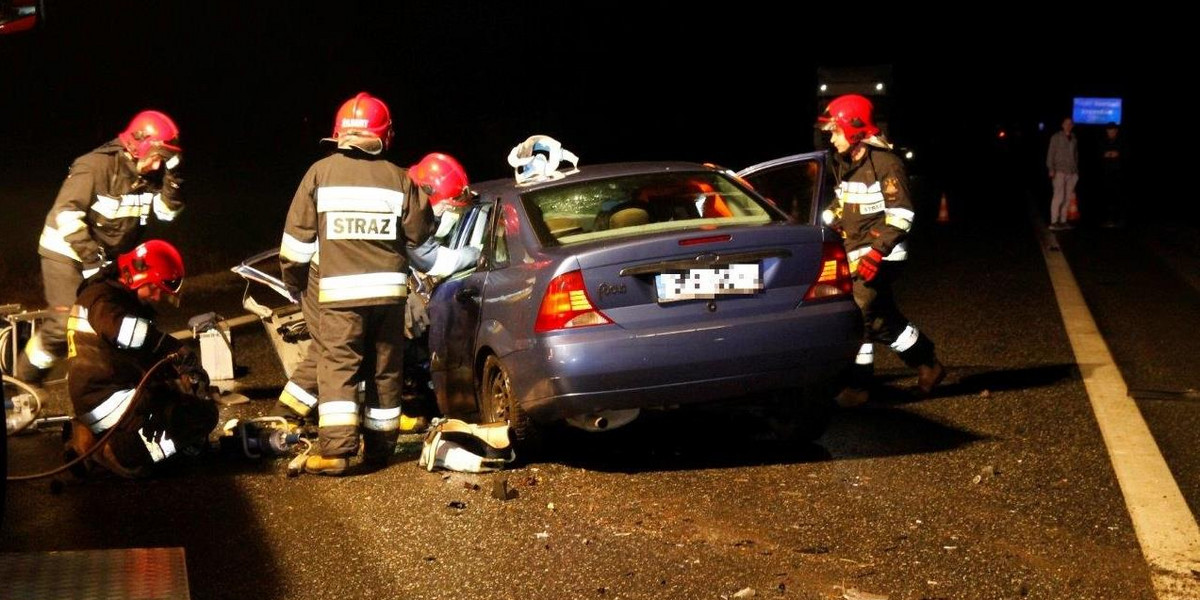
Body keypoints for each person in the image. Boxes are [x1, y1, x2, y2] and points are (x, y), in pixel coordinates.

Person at [279, 92, 436, 476]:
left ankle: (336, 451)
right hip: (388, 297)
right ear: (385, 134)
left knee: (339, 367)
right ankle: (380, 449)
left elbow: (296, 245)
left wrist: (295, 284)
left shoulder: (319, 173)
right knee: (385, 368)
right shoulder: (399, 178)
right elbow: (420, 234)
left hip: (338, 298)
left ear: (339, 132)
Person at [269, 152, 477, 430]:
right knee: (333, 350)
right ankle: (285, 415)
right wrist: (475, 254)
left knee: (357, 347)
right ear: (428, 192)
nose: (445, 215)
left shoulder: (390, 189)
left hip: (340, 278)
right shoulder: (404, 199)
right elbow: (432, 261)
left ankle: (365, 416)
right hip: (326, 280)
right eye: (447, 207)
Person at [18, 110, 184, 385]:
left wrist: (175, 177)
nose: (158, 166)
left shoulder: (154, 176)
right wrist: (93, 259)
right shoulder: (95, 166)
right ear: (138, 145)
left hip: (103, 257)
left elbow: (167, 213)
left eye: (163, 160)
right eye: (156, 157)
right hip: (67, 251)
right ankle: (22, 383)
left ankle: (126, 382)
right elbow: (66, 215)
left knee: (118, 317)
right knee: (65, 325)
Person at [816, 94, 945, 406]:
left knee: (857, 313)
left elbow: (902, 216)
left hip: (884, 256)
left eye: (835, 131)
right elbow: (842, 206)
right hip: (857, 252)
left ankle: (859, 388)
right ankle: (928, 364)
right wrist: (822, 222)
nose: (832, 139)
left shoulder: (886, 164)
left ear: (855, 129)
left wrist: (876, 252)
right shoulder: (845, 164)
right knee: (880, 321)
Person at [62, 239, 217, 479]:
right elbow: (130, 336)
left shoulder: (109, 294)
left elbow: (136, 357)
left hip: (106, 392)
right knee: (200, 417)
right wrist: (175, 351)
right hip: (108, 402)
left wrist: (177, 375)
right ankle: (117, 451)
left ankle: (89, 436)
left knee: (178, 399)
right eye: (154, 288)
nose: (156, 297)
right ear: (136, 276)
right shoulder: (102, 300)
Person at [1046, 116, 1079, 231]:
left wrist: (1076, 171)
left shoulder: (1074, 138)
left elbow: (1075, 155)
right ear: (1062, 124)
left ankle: (1063, 220)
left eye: (1071, 124)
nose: (1069, 125)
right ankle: (1054, 221)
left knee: (1067, 197)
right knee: (1058, 196)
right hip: (1059, 170)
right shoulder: (1056, 137)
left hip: (1071, 172)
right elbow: (1051, 153)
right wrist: (1051, 168)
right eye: (1066, 123)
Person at [1098, 122, 1126, 228]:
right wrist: (1105, 154)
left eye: (1113, 131)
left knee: (1119, 197)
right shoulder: (1103, 142)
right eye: (1109, 131)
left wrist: (1118, 154)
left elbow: (1126, 153)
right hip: (1106, 174)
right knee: (1107, 198)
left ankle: (1120, 220)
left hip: (1119, 175)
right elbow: (1098, 154)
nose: (1111, 132)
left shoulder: (1121, 141)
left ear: (1116, 131)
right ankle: (1108, 219)